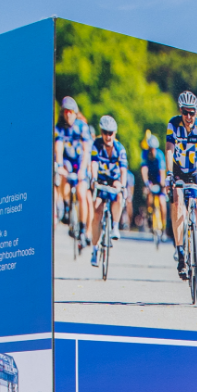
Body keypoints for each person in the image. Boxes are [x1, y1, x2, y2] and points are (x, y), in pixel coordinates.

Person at [167, 91, 197, 281]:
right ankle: (180, 255)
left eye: (192, 113)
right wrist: (169, 175)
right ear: (181, 111)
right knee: (178, 203)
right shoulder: (173, 124)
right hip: (179, 169)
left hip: (196, 170)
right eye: (185, 112)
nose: (189, 117)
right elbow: (169, 151)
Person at [87, 115, 128, 269]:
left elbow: (123, 170)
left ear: (115, 134)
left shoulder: (120, 149)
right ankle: (95, 249)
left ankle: (115, 226)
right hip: (101, 179)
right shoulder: (96, 145)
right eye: (105, 132)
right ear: (101, 132)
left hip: (114, 180)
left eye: (111, 133)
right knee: (97, 210)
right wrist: (93, 179)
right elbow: (94, 163)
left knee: (118, 194)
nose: (108, 136)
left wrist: (122, 186)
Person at [53, 95, 88, 230]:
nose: (68, 115)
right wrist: (60, 165)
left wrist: (83, 169)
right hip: (67, 160)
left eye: (71, 112)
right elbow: (59, 147)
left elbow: (86, 151)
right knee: (63, 175)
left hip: (80, 160)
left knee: (82, 192)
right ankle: (67, 205)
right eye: (65, 112)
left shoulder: (82, 127)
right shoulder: (60, 127)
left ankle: (83, 227)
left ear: (75, 113)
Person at [139, 130, 167, 245]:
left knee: (162, 203)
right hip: (150, 180)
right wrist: (146, 182)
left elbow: (162, 171)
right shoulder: (145, 154)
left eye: (154, 149)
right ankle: (150, 216)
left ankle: (164, 228)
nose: (152, 151)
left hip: (159, 180)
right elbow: (144, 169)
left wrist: (162, 185)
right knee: (149, 197)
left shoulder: (160, 156)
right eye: (150, 148)